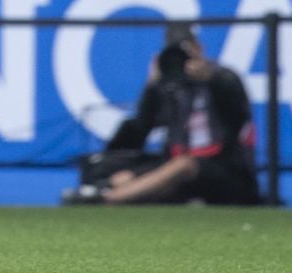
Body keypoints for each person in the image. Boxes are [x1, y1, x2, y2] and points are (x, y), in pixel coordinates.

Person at [67, 27, 259, 206]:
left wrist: (211, 79)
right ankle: (95, 192)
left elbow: (238, 114)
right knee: (126, 175)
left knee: (184, 164)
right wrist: (152, 85)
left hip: (226, 171)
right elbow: (142, 127)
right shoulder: (171, 87)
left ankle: (108, 198)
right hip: (178, 169)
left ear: (199, 48)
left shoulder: (224, 77)